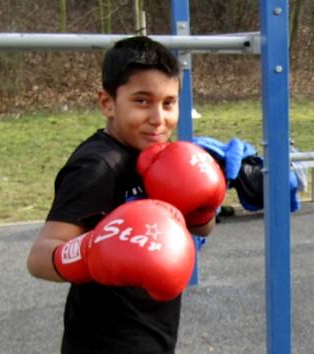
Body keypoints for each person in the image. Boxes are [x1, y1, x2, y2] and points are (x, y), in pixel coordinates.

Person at [26, 36, 217, 354]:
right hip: (102, 342)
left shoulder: (163, 158)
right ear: (107, 103)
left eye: (168, 103)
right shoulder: (98, 165)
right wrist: (91, 251)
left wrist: (202, 206)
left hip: (155, 334)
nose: (158, 118)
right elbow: (39, 258)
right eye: (142, 101)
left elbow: (203, 227)